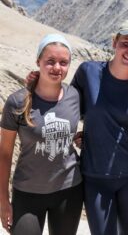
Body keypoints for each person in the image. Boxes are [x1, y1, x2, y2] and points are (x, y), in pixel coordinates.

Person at [25, 19, 128, 235]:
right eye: (126, 44)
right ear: (114, 43)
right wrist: (39, 78)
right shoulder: (89, 72)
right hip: (95, 175)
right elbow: (64, 100)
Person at [0, 34, 83, 235]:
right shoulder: (17, 102)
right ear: (38, 61)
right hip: (28, 193)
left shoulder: (74, 95)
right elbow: (4, 155)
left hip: (69, 191)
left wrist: (79, 137)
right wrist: (3, 199)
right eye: (50, 61)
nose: (57, 68)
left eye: (63, 62)